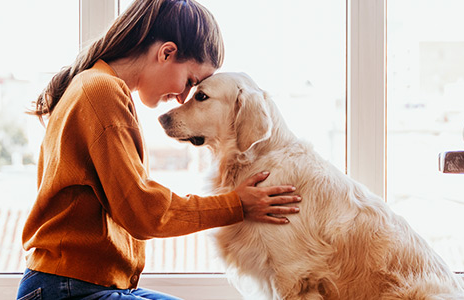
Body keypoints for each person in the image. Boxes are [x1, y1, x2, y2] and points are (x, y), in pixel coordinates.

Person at [16, 0, 301, 299]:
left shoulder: (98, 86)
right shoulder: (101, 91)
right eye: (190, 81)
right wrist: (236, 205)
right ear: (166, 52)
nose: (182, 98)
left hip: (77, 284)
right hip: (64, 289)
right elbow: (144, 213)